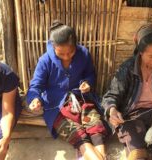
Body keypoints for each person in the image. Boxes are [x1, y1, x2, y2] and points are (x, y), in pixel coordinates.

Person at [26, 20, 107, 160]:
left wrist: (88, 83)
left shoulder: (83, 54)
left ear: (75, 45)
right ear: (53, 46)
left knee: (95, 124)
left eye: (70, 52)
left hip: (82, 101)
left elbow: (90, 74)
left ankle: (99, 155)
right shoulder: (45, 61)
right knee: (76, 133)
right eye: (61, 54)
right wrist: (34, 98)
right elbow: (36, 86)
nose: (66, 56)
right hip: (56, 107)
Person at [102, 24, 152, 160]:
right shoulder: (127, 68)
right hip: (131, 115)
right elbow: (111, 95)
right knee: (136, 150)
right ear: (140, 51)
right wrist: (112, 110)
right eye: (151, 56)